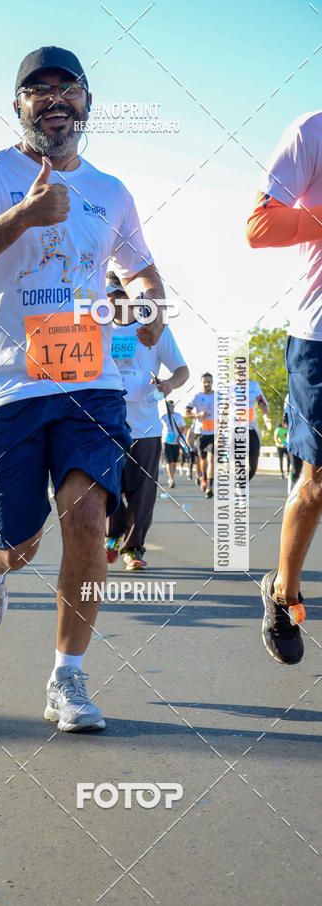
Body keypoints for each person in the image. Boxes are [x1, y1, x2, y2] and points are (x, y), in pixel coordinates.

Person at [0, 46, 165, 731]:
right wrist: (23, 217)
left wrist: (150, 306)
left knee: (88, 518)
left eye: (68, 89)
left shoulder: (112, 192)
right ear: (19, 105)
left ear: (88, 103)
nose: (55, 100)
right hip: (9, 386)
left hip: (91, 384)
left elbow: (145, 273)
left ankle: (69, 680)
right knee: (23, 538)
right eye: (39, 90)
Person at [246, 110, 322, 665]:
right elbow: (260, 227)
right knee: (317, 483)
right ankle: (284, 592)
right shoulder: (308, 132)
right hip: (318, 338)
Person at [104, 282, 188, 568]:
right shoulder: (98, 330)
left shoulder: (154, 329)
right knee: (106, 485)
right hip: (108, 424)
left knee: (143, 492)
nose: (114, 299)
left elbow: (182, 370)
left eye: (120, 293)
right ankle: (113, 535)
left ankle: (132, 550)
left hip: (147, 426)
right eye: (110, 294)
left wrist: (167, 385)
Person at [186, 373, 215, 498]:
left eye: (209, 381)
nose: (207, 384)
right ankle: (203, 476)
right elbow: (186, 413)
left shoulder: (218, 396)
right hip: (200, 433)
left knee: (211, 459)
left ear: (212, 382)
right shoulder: (196, 396)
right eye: (205, 382)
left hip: (214, 433)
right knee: (202, 460)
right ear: (202, 382)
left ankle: (209, 487)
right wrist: (198, 416)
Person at [160, 401, 187, 488]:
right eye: (168, 406)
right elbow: (159, 429)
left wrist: (179, 436)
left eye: (171, 406)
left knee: (174, 462)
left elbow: (184, 427)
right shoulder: (163, 417)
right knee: (169, 461)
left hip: (176, 441)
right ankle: (171, 479)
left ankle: (171, 476)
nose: (170, 407)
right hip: (166, 440)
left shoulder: (178, 416)